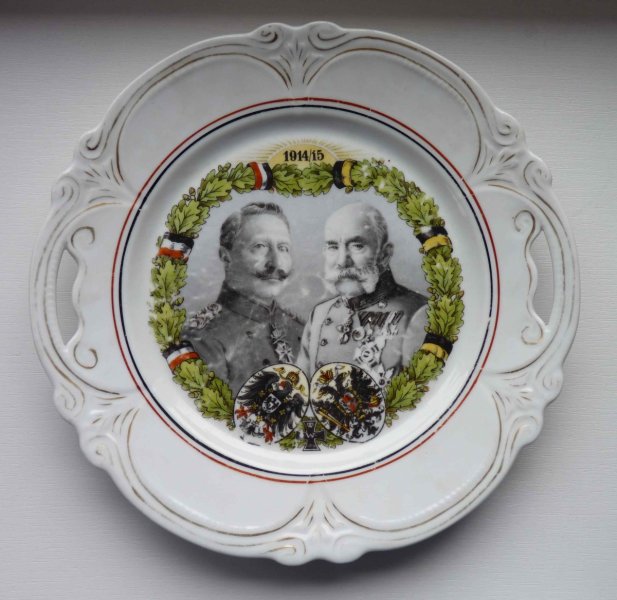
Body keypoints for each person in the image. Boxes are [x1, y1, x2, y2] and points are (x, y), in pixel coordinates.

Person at [296, 202, 427, 390]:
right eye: (333, 247)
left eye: (357, 246)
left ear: (384, 255)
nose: (342, 261)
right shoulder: (320, 314)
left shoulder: (419, 315)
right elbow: (301, 394)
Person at [183, 202, 304, 394]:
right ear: (226, 257)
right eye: (260, 246)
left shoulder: (302, 329)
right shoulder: (202, 338)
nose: (275, 263)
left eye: (283, 248)